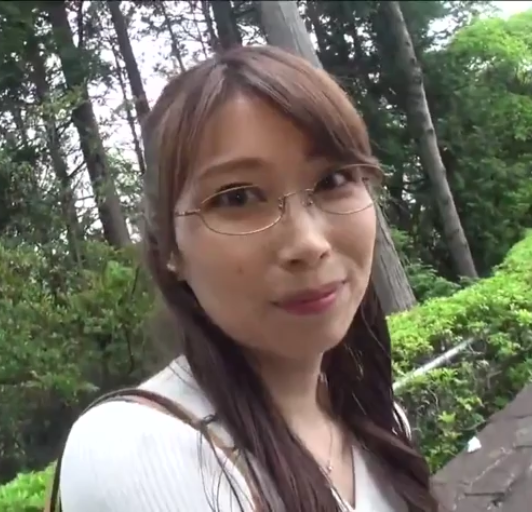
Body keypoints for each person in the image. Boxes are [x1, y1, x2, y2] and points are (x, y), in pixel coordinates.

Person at [53, 45, 438, 512]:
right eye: (236, 198)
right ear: (170, 248)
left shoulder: (379, 421)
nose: (308, 243)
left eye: (334, 180)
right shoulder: (136, 450)